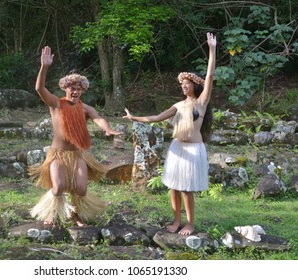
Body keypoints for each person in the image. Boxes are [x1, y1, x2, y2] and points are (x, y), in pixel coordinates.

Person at [123, 32, 216, 235]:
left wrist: (212, 48)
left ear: (195, 86)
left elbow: (209, 76)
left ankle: (190, 223)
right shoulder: (177, 105)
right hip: (177, 148)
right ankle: (176, 221)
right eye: (182, 84)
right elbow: (157, 117)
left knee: (186, 189)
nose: (184, 86)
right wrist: (134, 118)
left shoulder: (201, 103)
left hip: (193, 149)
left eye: (188, 83)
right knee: (174, 186)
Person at [29, 46, 122, 226]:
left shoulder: (86, 108)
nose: (75, 91)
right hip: (57, 154)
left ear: (82, 90)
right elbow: (39, 88)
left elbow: (98, 118)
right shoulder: (56, 103)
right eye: (72, 87)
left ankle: (75, 214)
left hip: (78, 154)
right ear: (65, 88)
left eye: (79, 88)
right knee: (58, 187)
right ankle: (53, 211)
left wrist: (107, 129)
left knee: (80, 188)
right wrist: (44, 67)